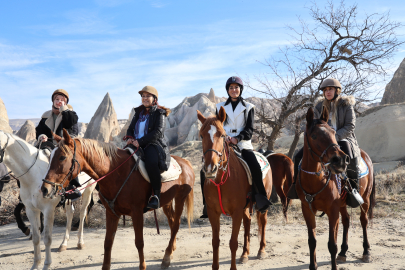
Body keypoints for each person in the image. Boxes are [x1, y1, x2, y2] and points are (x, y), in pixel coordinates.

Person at [200, 76, 272, 218]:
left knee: (255, 166)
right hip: (224, 142)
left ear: (240, 89)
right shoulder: (220, 106)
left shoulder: (249, 107)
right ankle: (206, 205)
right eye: (231, 88)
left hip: (243, 143)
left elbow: (249, 129)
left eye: (236, 87)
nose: (234, 90)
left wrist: (237, 138)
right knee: (205, 168)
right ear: (228, 90)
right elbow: (218, 125)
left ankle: (261, 199)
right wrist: (225, 137)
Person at [287, 78, 361, 199]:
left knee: (348, 154)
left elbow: (350, 126)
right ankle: (296, 185)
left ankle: (353, 188)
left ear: (337, 90)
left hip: (343, 137)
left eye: (330, 89)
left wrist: (334, 137)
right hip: (323, 140)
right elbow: (314, 125)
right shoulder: (319, 106)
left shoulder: (346, 105)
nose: (327, 92)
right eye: (325, 90)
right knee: (298, 156)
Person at [125, 86, 171, 210]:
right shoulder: (138, 112)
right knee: (121, 159)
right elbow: (130, 128)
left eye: (147, 96)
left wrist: (140, 141)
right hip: (136, 144)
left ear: (154, 98)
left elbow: (158, 132)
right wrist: (129, 137)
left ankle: (156, 195)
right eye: (143, 96)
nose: (144, 98)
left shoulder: (159, 113)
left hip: (153, 144)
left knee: (151, 163)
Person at [35, 89, 80, 200]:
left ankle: (71, 187)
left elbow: (71, 124)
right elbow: (39, 130)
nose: (59, 101)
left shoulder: (70, 114)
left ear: (66, 102)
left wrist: (64, 109)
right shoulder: (46, 116)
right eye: (57, 99)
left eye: (62, 100)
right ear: (53, 101)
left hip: (64, 144)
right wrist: (41, 136)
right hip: (48, 143)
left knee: (69, 160)